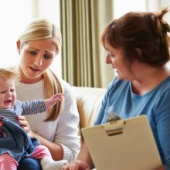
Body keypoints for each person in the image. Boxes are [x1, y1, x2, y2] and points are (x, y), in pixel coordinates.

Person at [62, 8, 170, 170]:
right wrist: (80, 163)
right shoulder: (119, 84)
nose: (107, 60)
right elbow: (94, 139)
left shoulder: (166, 96)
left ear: (137, 54)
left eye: (112, 54)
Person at [10, 18, 80, 170]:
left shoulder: (62, 93)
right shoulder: (4, 82)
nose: (38, 62)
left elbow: (70, 154)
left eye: (47, 56)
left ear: (56, 55)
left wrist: (31, 134)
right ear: (19, 45)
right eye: (32, 52)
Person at [0, 67, 68, 170]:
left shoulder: (17, 105)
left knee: (41, 149)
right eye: (3, 92)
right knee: (6, 160)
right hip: (6, 147)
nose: (9, 94)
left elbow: (32, 106)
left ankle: (48, 164)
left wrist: (49, 102)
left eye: (12, 90)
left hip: (25, 143)